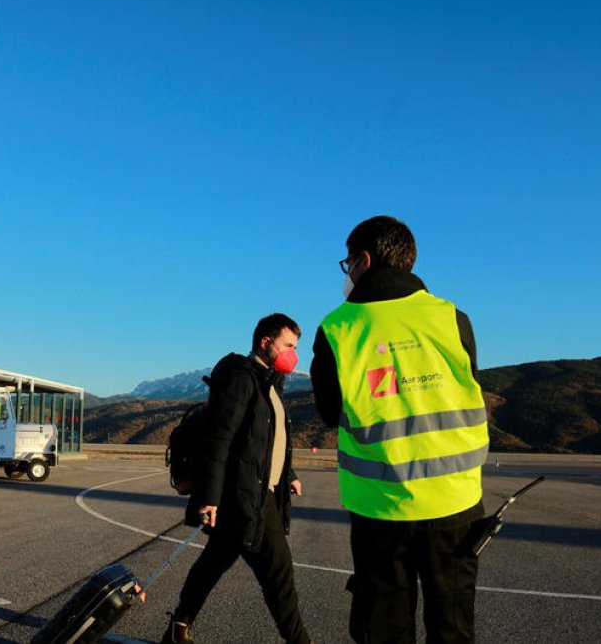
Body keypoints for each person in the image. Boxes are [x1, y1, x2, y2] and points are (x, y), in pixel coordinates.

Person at [311, 215, 489, 644]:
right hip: (456, 503)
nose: (346, 273)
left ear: (363, 261)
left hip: (381, 511)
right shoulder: (453, 318)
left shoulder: (336, 329)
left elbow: (330, 413)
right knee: (453, 628)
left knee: (385, 628)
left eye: (346, 263)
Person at [163, 313, 311, 644]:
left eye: (296, 347)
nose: (294, 354)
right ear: (266, 343)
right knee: (279, 573)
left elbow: (269, 439)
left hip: (262, 489)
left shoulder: (270, 382)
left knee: (214, 562)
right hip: (244, 496)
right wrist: (211, 498)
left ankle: (178, 628)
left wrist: (289, 474)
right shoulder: (241, 380)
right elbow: (221, 440)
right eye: (288, 345)